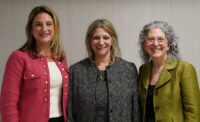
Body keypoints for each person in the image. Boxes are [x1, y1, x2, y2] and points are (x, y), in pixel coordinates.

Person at [0, 5, 69, 122]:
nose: (44, 29)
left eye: (48, 24)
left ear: (55, 28)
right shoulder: (19, 57)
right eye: (38, 24)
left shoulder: (60, 57)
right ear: (31, 30)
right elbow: (8, 102)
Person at [67, 19, 141, 122]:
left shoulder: (128, 69)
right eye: (96, 38)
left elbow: (136, 111)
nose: (101, 42)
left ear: (112, 40)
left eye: (106, 37)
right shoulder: (76, 71)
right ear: (90, 41)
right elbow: (70, 112)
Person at [138, 20, 200, 122]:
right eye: (151, 39)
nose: (155, 43)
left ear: (169, 44)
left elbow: (193, 112)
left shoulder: (185, 69)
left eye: (161, 39)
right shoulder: (143, 70)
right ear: (145, 45)